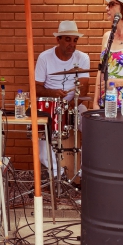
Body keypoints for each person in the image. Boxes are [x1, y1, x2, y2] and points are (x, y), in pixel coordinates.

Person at [35, 20, 91, 174]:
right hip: (50, 104)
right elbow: (36, 87)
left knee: (91, 128)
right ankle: (55, 173)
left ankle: (84, 172)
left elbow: (84, 87)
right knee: (42, 134)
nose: (72, 44)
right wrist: (52, 93)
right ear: (58, 39)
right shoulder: (45, 57)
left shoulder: (83, 58)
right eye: (67, 39)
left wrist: (72, 105)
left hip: (74, 104)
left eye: (75, 40)